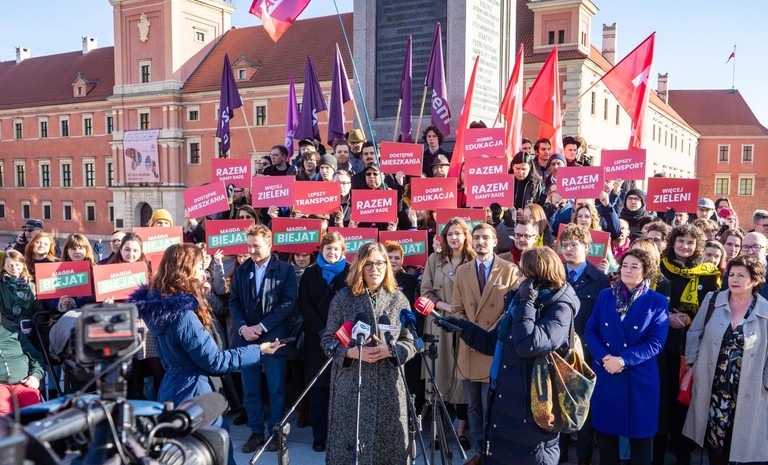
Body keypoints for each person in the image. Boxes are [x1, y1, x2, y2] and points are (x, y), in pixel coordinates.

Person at [129, 243, 283, 465]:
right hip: (195, 395)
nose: (203, 272)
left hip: (172, 389)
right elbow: (216, 361)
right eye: (200, 267)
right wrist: (258, 350)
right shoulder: (183, 316)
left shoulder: (160, 305)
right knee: (214, 456)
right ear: (186, 269)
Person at [438, 247, 579, 465]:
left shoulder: (559, 307)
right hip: (505, 404)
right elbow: (492, 342)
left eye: (523, 272)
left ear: (537, 277)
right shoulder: (519, 303)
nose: (518, 276)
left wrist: (526, 303)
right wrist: (461, 327)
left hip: (532, 415)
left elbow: (527, 345)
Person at [321, 242, 417, 465]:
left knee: (388, 452)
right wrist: (351, 353)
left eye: (381, 263)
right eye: (369, 264)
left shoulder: (399, 299)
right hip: (351, 388)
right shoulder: (343, 298)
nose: (375, 269)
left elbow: (410, 342)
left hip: (388, 387)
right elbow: (327, 341)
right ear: (359, 266)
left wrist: (391, 350)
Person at [585, 248, 669, 465]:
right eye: (624, 266)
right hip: (607, 373)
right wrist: (605, 358)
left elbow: (656, 342)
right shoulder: (606, 296)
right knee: (607, 439)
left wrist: (623, 360)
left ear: (646, 271)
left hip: (639, 378)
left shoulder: (657, 301)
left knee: (641, 441)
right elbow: (591, 330)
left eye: (634, 267)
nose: (627, 270)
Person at [682, 256, 768, 465]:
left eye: (741, 275)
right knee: (714, 439)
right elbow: (695, 332)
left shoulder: (765, 310)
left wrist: (765, 383)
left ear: (755, 280)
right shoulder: (713, 300)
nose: (734, 279)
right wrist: (694, 364)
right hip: (714, 385)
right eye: (732, 274)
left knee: (739, 439)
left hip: (748, 387)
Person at [451, 223, 520, 457]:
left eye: (485, 238)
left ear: (495, 241)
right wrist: (470, 333)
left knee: (490, 403)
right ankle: (480, 450)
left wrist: (489, 335)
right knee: (473, 405)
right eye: (477, 237)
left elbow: (511, 310)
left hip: (494, 346)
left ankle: (493, 450)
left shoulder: (510, 270)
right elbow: (457, 309)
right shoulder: (462, 271)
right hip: (469, 346)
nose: (480, 242)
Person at [228, 224, 297, 453]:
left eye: (256, 246)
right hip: (247, 338)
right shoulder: (242, 270)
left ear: (269, 244)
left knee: (276, 388)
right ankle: (256, 432)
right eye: (248, 246)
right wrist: (242, 328)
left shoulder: (285, 270)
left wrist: (262, 326)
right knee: (251, 389)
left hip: (274, 338)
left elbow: (288, 303)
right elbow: (233, 302)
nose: (251, 251)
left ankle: (276, 433)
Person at [657, 223, 721, 465]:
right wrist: (666, 316)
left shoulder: (709, 273)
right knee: (663, 396)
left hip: (691, 345)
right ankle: (658, 449)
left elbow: (712, 307)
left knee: (685, 397)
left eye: (690, 242)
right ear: (672, 242)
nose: (685, 246)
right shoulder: (659, 267)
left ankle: (682, 449)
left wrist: (690, 318)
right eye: (680, 241)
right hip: (662, 343)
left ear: (698, 245)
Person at [558, 224, 611, 465]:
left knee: (583, 405)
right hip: (558, 350)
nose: (569, 249)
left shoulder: (600, 280)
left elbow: (603, 320)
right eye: (565, 245)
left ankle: (584, 456)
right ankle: (559, 453)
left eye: (574, 245)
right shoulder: (555, 273)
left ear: (587, 247)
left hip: (587, 353)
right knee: (558, 402)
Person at [421, 217, 475, 448]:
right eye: (450, 234)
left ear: (465, 236)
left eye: (458, 233)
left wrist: (460, 312)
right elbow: (425, 292)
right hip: (439, 323)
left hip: (466, 323)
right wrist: (447, 308)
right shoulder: (434, 259)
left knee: (463, 380)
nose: (454, 237)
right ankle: (436, 433)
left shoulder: (473, 260)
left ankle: (460, 432)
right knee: (438, 377)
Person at [298, 232, 350, 453]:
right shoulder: (310, 274)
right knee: (319, 389)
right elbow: (304, 304)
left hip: (344, 339)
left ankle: (339, 435)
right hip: (316, 339)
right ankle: (319, 435)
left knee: (342, 389)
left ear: (342, 251)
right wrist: (322, 331)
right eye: (328, 249)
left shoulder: (350, 272)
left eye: (336, 249)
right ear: (322, 250)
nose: (332, 253)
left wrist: (340, 333)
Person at [0, 322, 44, 414]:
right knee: (3, 409)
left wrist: (35, 376)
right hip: (1, 386)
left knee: (32, 406)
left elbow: (36, 357)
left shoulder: (14, 332)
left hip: (24, 383)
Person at [0, 250, 44, 331]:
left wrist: (33, 324)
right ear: (3, 267)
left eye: (17, 264)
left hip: (28, 327)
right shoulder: (1, 286)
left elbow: (39, 311)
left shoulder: (32, 286)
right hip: (5, 328)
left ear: (23, 265)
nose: (14, 268)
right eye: (10, 265)